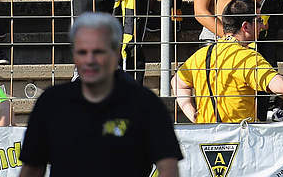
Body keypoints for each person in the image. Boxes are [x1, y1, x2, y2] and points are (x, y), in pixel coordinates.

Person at [19, 13, 181, 177]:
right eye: (82, 52)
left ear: (117, 52)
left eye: (98, 52)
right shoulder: (52, 102)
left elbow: (169, 169)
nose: (90, 60)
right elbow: (32, 169)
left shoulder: (146, 104)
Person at [174, 0, 283, 123]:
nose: (263, 26)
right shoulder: (246, 57)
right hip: (238, 137)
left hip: (206, 135)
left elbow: (177, 82)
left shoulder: (203, 54)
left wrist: (192, 114)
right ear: (245, 27)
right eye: (259, 21)